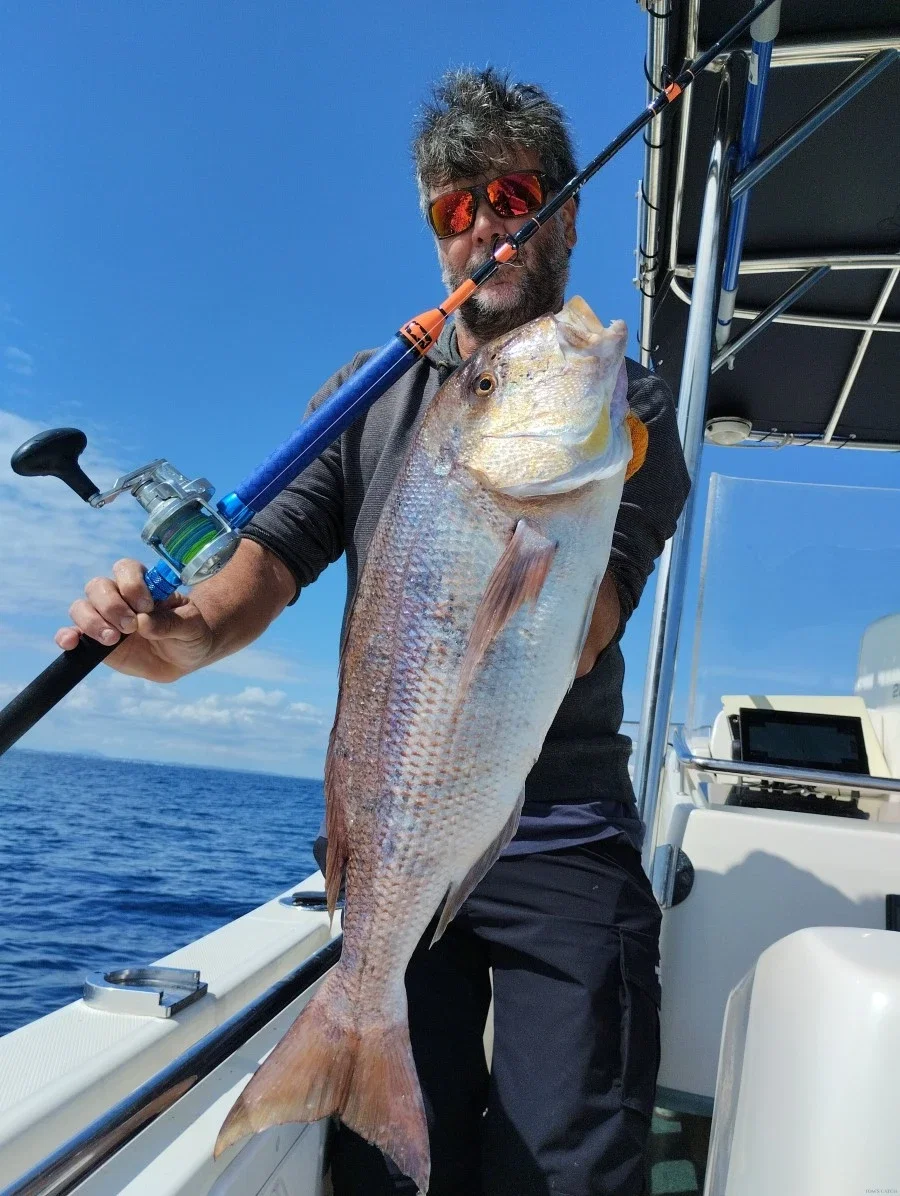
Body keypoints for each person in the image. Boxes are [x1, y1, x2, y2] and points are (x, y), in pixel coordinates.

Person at [57, 69, 690, 1196]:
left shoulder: (624, 409)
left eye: (512, 196)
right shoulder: (367, 394)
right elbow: (260, 570)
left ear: (565, 215)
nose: (484, 226)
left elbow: (582, 630)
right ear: (438, 238)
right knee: (392, 1174)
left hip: (563, 828)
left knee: (572, 1163)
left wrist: (547, 505)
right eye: (455, 209)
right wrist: (177, 638)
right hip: (391, 830)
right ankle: (355, 1037)